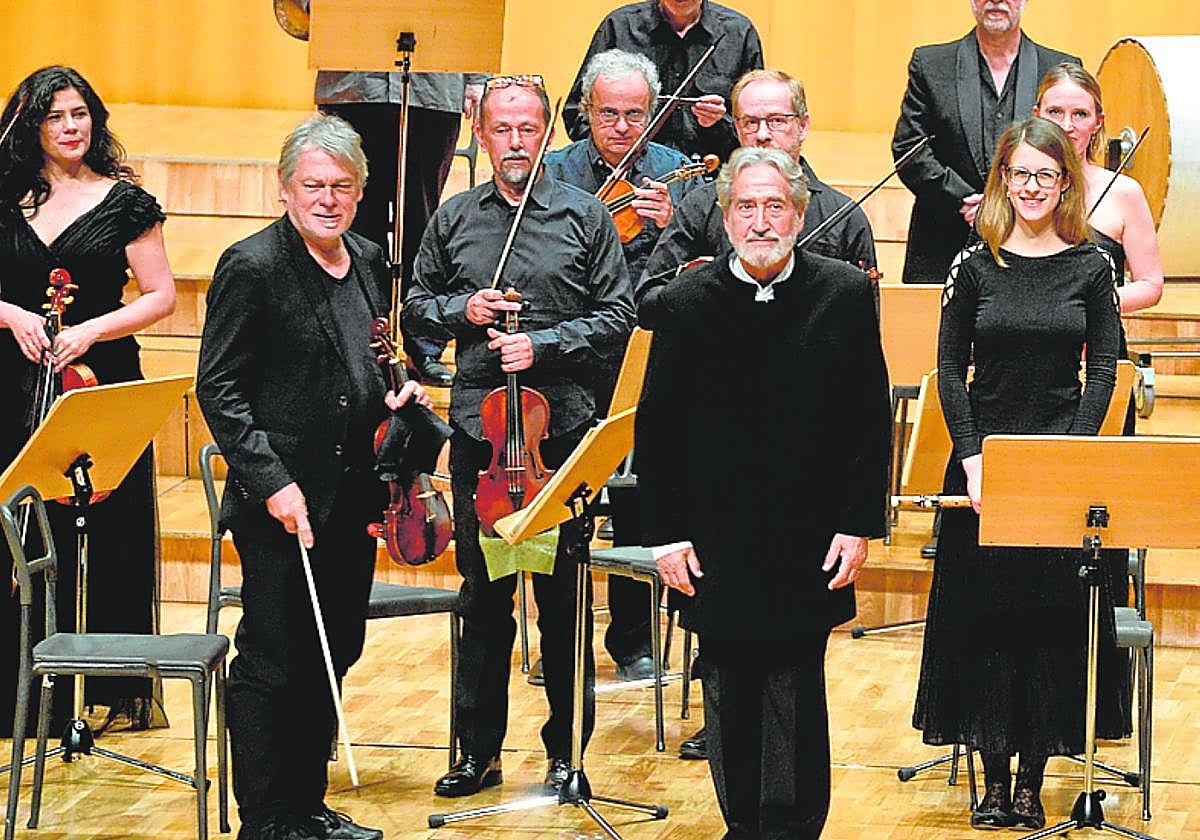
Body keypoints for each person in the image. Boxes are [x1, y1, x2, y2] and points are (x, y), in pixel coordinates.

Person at [636, 146, 891, 838]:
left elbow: (870, 417)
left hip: (809, 535)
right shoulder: (687, 302)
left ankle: (795, 827)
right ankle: (743, 825)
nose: (760, 220)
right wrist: (666, 534)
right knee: (727, 687)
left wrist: (858, 522)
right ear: (724, 218)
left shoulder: (841, 291)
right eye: (745, 206)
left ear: (800, 213)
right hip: (714, 539)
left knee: (796, 687)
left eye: (774, 205)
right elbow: (656, 428)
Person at [197, 113, 430, 840]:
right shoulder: (253, 265)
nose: (327, 198)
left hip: (352, 493)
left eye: (342, 187)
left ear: (360, 194)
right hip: (284, 504)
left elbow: (371, 359)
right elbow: (220, 391)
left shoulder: (364, 258)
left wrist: (401, 391)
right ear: (284, 189)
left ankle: (307, 805)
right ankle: (267, 820)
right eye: (313, 186)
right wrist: (271, 482)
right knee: (275, 659)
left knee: (336, 649)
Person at [404, 75, 635, 798]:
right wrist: (462, 309)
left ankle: (568, 755)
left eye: (528, 130)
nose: (515, 143)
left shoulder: (583, 218)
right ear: (480, 131)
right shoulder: (452, 219)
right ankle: (478, 753)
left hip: (557, 436)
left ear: (546, 133)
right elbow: (414, 307)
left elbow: (618, 315)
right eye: (502, 130)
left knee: (561, 598)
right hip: (480, 438)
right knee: (483, 599)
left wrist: (546, 344)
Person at [912, 116, 1125, 831]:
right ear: (1002, 178)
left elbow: (1102, 372)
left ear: (1066, 182)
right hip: (984, 464)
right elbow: (948, 369)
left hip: (1060, 465)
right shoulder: (974, 265)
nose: (1032, 187)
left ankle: (1032, 778)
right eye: (1019, 173)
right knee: (988, 620)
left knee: (1046, 623)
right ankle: (992, 777)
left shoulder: (1093, 267)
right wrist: (974, 457)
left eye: (1046, 174)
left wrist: (1068, 458)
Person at [0, 66, 175, 738]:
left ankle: (94, 685)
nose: (71, 128)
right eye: (55, 117)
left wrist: (89, 331)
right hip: (12, 377)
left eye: (80, 114)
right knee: (18, 525)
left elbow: (161, 296)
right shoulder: (5, 196)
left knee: (101, 530)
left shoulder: (126, 203)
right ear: (32, 127)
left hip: (96, 379)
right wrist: (14, 315)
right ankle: (21, 690)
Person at [544, 48, 698, 682]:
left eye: (636, 114)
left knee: (638, 498)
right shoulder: (554, 175)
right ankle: (562, 636)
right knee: (565, 498)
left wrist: (670, 226)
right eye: (608, 113)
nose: (622, 126)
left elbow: (690, 270)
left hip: (644, 354)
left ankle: (633, 639)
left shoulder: (679, 176)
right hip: (571, 356)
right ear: (586, 111)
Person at [640, 69, 877, 322]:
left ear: (803, 125)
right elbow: (648, 303)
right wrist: (708, 285)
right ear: (738, 128)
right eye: (750, 122)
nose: (762, 135)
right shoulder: (699, 206)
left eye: (776, 121)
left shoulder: (845, 217)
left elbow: (866, 320)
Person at [891, 0, 1078, 284]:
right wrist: (964, 200)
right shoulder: (931, 64)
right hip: (944, 238)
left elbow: (1069, 153)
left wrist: (1010, 202)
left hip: (1036, 240)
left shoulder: (1058, 69)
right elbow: (910, 149)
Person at [564, 0, 763, 164]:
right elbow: (577, 113)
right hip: (631, 178)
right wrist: (611, 156)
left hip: (712, 177)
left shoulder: (738, 32)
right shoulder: (620, 26)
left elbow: (759, 127)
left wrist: (720, 124)